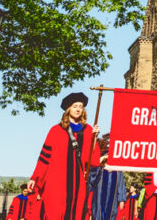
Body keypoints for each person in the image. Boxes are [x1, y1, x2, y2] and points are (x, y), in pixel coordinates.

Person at [28, 92, 103, 220]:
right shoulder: (56, 130)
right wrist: (35, 178)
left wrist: (94, 138)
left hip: (78, 183)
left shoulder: (88, 131)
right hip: (57, 181)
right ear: (68, 109)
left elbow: (93, 161)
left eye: (81, 107)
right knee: (55, 211)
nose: (78, 109)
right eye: (75, 106)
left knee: (76, 212)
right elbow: (44, 159)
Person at [88, 136, 127, 220]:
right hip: (99, 200)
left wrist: (121, 200)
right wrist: (102, 158)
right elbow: (91, 176)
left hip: (112, 202)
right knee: (98, 215)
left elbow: (121, 185)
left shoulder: (117, 171)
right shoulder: (100, 169)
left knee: (111, 215)